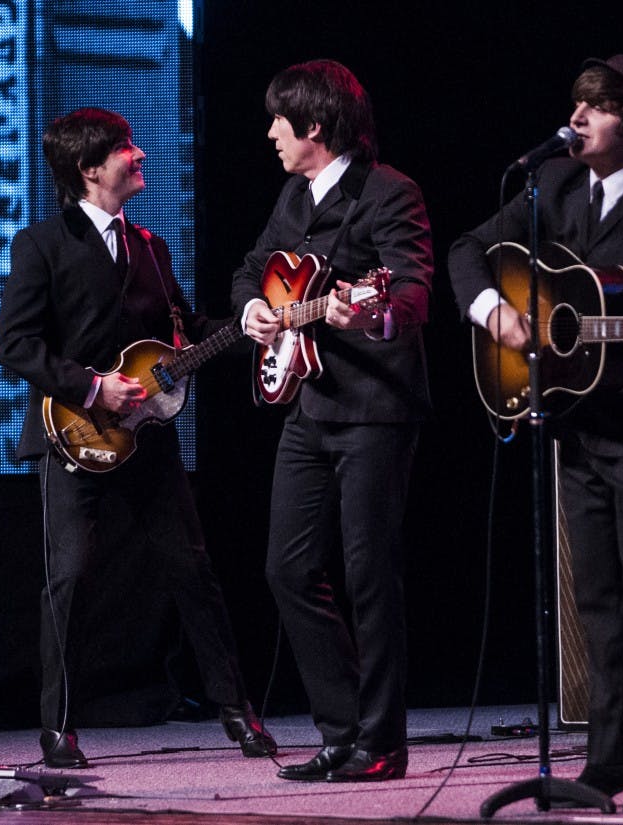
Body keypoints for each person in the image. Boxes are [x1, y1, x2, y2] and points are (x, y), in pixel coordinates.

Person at [448, 56, 623, 812]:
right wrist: (495, 313)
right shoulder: (555, 184)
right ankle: (608, 759)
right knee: (596, 597)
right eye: (575, 103)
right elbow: (467, 250)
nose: (576, 118)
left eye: (595, 107)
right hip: (575, 420)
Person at [0, 107, 276, 768]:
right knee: (69, 578)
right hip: (72, 436)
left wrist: (250, 326)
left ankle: (237, 710)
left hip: (147, 440)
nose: (139, 154)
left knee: (193, 569)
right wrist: (94, 388)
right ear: (90, 169)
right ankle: (58, 729)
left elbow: (186, 330)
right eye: (125, 147)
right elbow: (13, 343)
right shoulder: (42, 243)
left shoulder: (150, 244)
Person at [230, 60, 433, 782]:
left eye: (279, 121)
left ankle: (382, 742)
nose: (270, 134)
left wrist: (373, 314)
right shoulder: (294, 194)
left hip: (374, 407)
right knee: (286, 568)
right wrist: (254, 309)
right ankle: (342, 729)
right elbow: (251, 269)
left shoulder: (389, 191)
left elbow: (411, 291)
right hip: (309, 405)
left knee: (370, 574)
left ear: (315, 125)